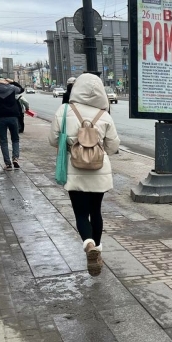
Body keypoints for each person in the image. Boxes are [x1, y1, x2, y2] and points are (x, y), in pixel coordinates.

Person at [49, 73, 120, 276]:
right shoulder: (104, 115)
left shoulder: (64, 110)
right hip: (99, 170)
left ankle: (88, 246)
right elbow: (113, 145)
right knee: (95, 211)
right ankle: (97, 249)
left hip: (75, 168)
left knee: (81, 213)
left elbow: (53, 140)